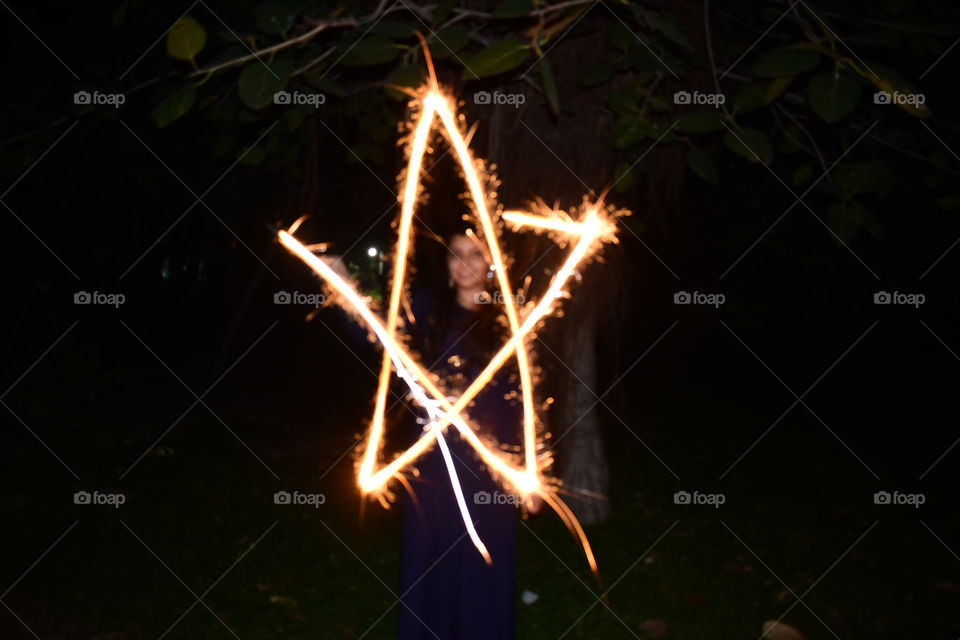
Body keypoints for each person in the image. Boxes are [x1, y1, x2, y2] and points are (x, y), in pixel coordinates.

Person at [395, 227, 536, 640]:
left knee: (484, 566)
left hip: (489, 468)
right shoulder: (425, 309)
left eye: (475, 254)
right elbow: (378, 336)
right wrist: (342, 286)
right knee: (428, 561)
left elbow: (526, 396)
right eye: (456, 254)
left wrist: (528, 470)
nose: (465, 263)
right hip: (432, 464)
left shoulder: (509, 317)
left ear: (492, 262)